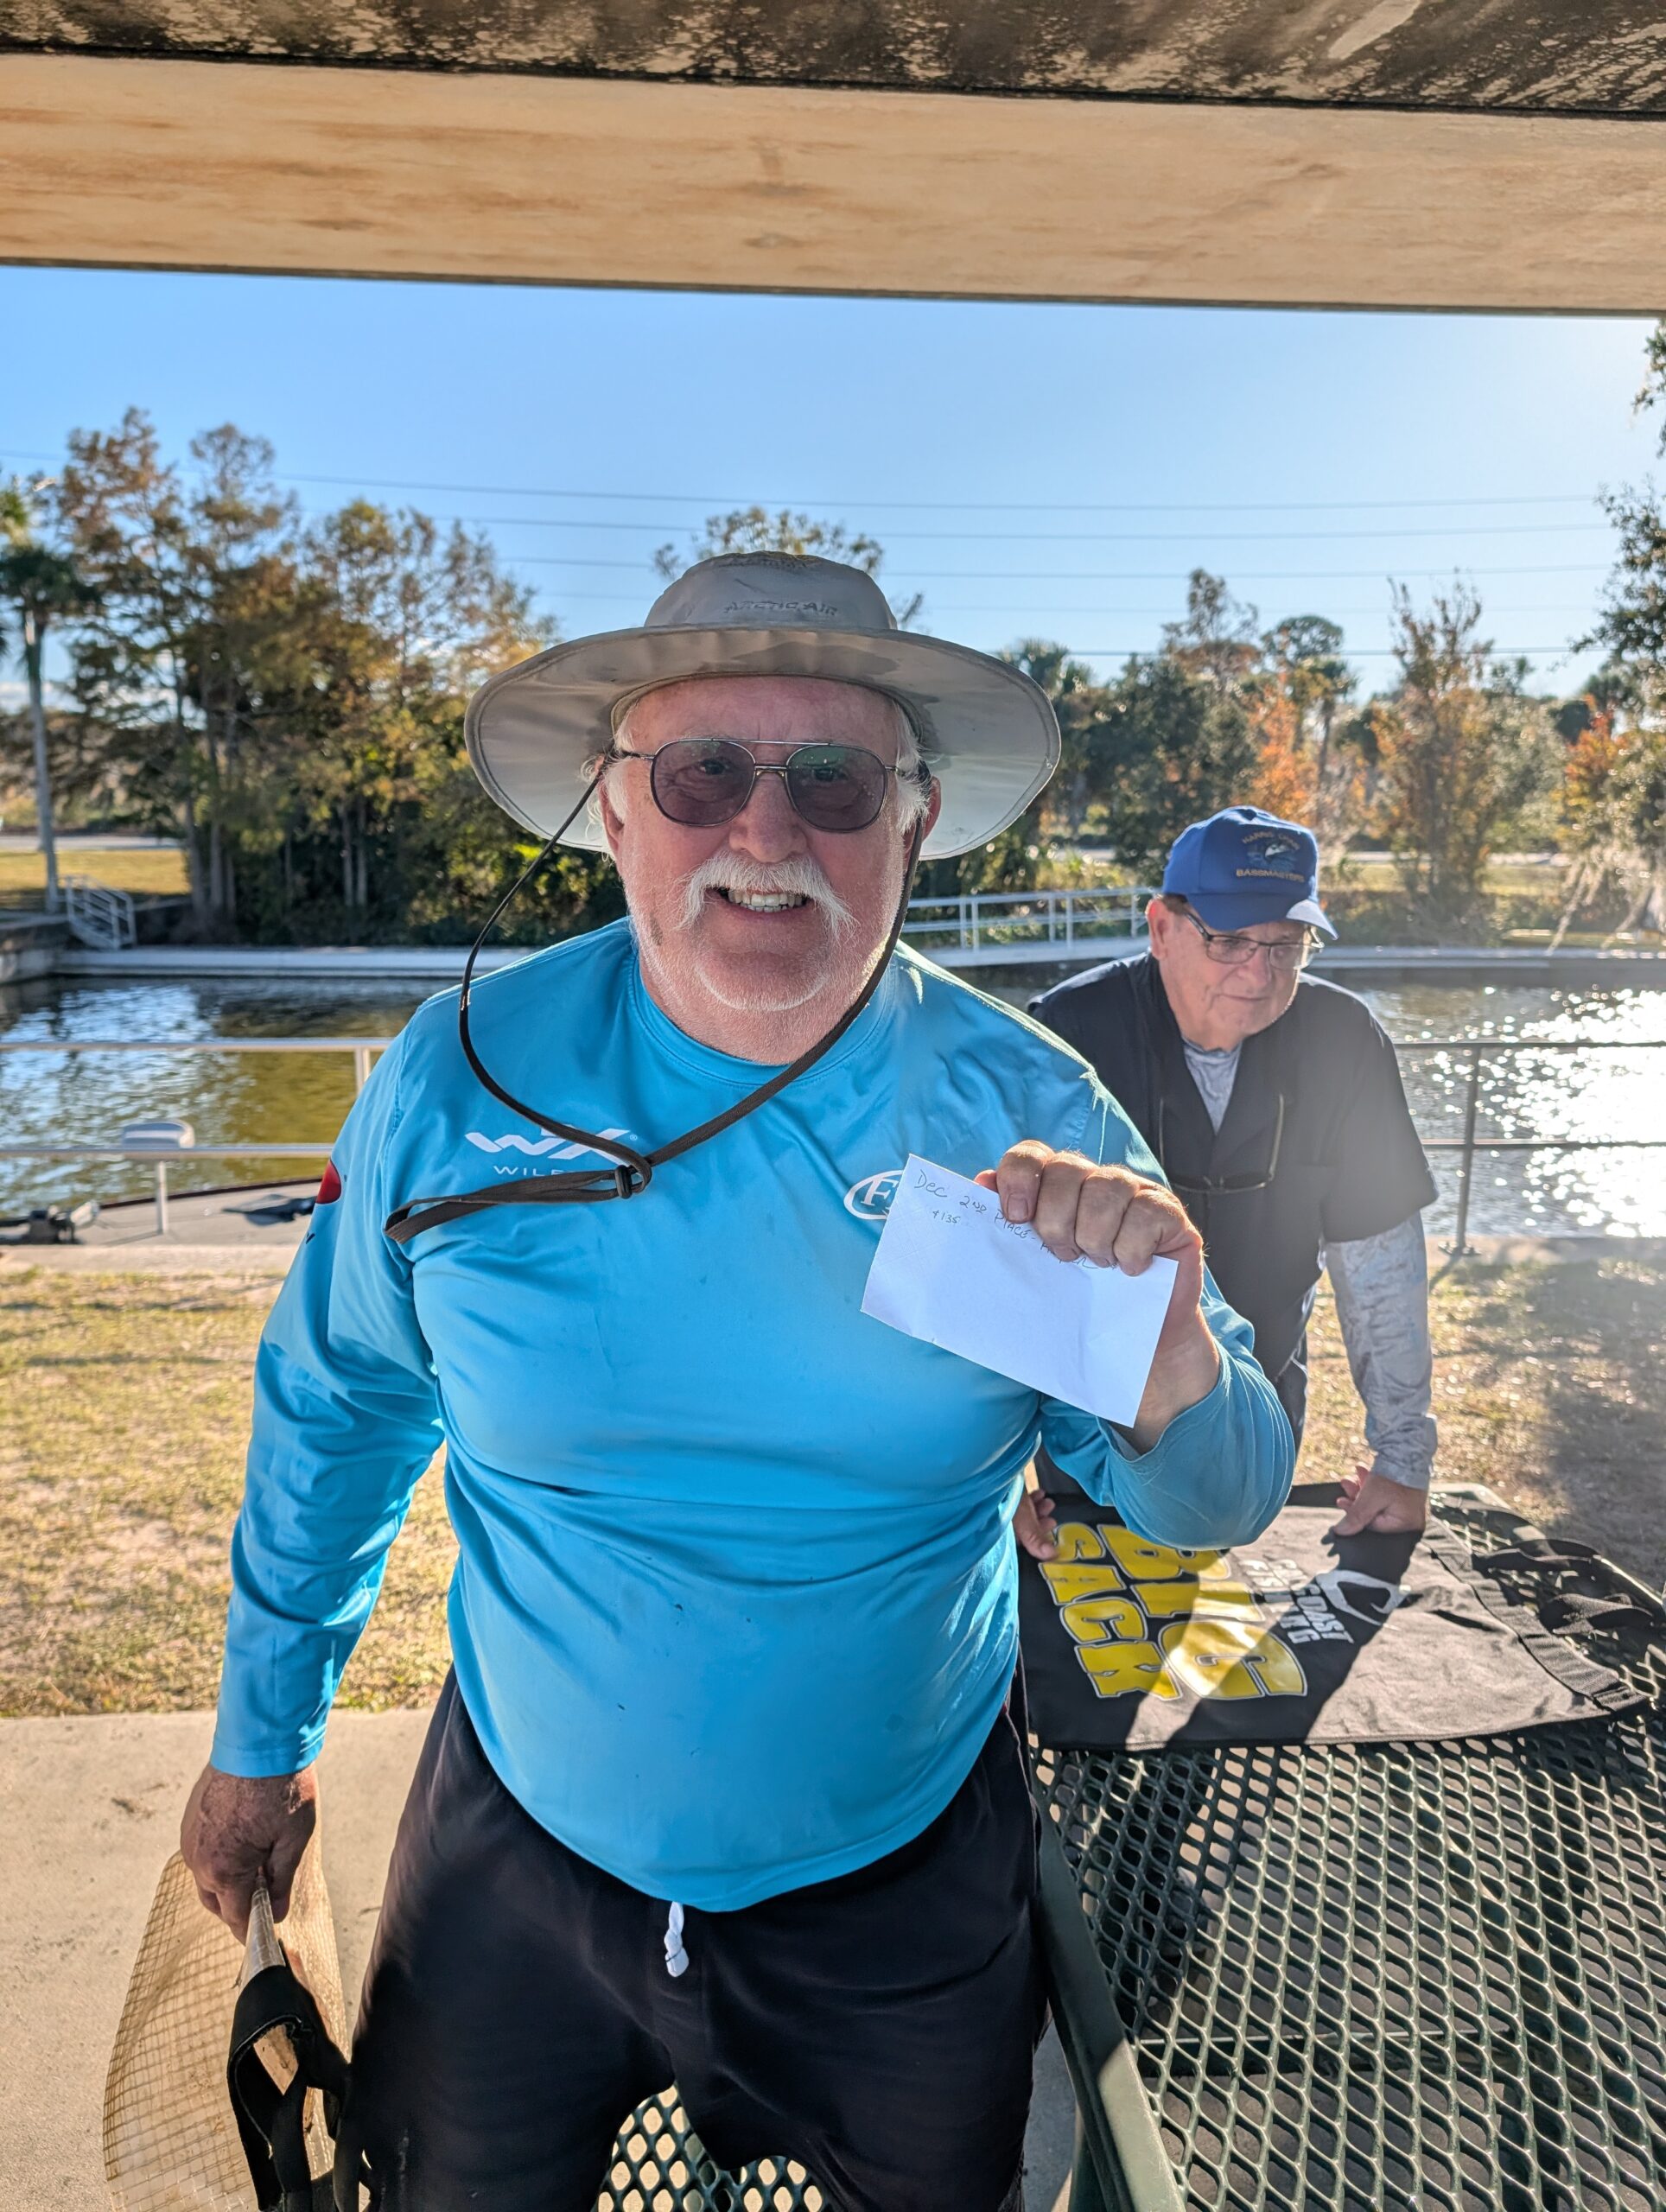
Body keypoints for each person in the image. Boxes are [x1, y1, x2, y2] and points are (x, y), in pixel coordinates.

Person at [179, 556, 1294, 2212]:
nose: (764, 836)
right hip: (516, 1853)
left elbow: (1218, 1498)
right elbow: (337, 1410)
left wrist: (1174, 1348)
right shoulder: (455, 1079)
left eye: (830, 781)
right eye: (702, 774)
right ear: (614, 814)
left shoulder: (1018, 1114)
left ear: (910, 828)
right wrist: (261, 1736)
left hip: (900, 1867)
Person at [1024, 804, 1437, 1557]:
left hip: (1259, 1407)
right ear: (1161, 928)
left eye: (1286, 945)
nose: (1260, 972)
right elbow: (1002, 1265)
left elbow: (1382, 1271)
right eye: (1229, 940)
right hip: (1086, 1428)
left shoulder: (1345, 1043)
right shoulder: (1066, 1035)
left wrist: (1404, 1460)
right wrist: (1004, 1487)